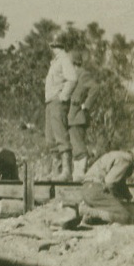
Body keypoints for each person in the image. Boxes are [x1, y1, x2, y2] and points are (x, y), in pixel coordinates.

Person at [79, 146, 134, 225]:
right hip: (96, 190)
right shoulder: (126, 160)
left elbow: (120, 184)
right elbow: (110, 183)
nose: (133, 171)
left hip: (88, 188)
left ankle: (90, 217)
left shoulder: (120, 155)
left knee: (113, 213)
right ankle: (87, 211)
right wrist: (117, 199)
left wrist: (129, 197)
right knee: (124, 216)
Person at [44, 37, 77, 180]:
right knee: (50, 137)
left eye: (53, 46)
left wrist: (63, 96)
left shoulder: (64, 59)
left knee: (61, 135)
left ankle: (66, 171)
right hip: (50, 101)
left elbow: (73, 78)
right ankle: (56, 171)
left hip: (57, 101)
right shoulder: (56, 62)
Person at [67, 50, 94, 180]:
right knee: (72, 145)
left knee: (78, 146)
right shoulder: (70, 75)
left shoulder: (83, 74)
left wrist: (86, 105)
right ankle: (76, 174)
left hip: (77, 116)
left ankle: (80, 174)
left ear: (74, 63)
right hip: (69, 116)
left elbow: (95, 88)